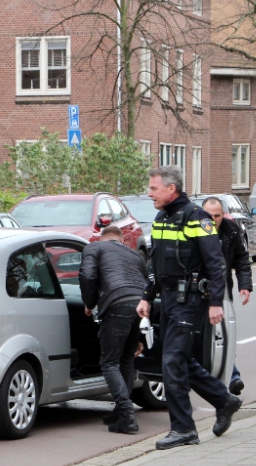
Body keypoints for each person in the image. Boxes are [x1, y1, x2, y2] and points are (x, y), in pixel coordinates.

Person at [136, 166, 242, 449]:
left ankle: (184, 428)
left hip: (190, 300)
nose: (149, 194)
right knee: (180, 360)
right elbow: (154, 264)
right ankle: (224, 400)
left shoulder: (197, 218)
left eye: (154, 189)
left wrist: (216, 302)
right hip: (168, 300)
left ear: (172, 189)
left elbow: (216, 263)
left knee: (171, 362)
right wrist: (147, 296)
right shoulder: (161, 218)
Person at [78, 225, 149, 434]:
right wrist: (139, 335)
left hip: (116, 304)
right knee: (127, 359)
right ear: (122, 240)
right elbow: (146, 283)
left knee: (109, 362)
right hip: (139, 306)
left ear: (102, 238)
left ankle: (126, 414)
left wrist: (90, 303)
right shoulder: (134, 254)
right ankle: (120, 412)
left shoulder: (95, 248)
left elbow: (87, 276)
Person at [201, 196, 253, 395]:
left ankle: (232, 376)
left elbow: (241, 259)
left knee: (223, 334)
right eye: (209, 216)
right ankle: (226, 376)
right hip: (198, 291)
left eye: (217, 215)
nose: (213, 220)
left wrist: (245, 285)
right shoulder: (194, 229)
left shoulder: (231, 231)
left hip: (222, 291)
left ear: (223, 214)